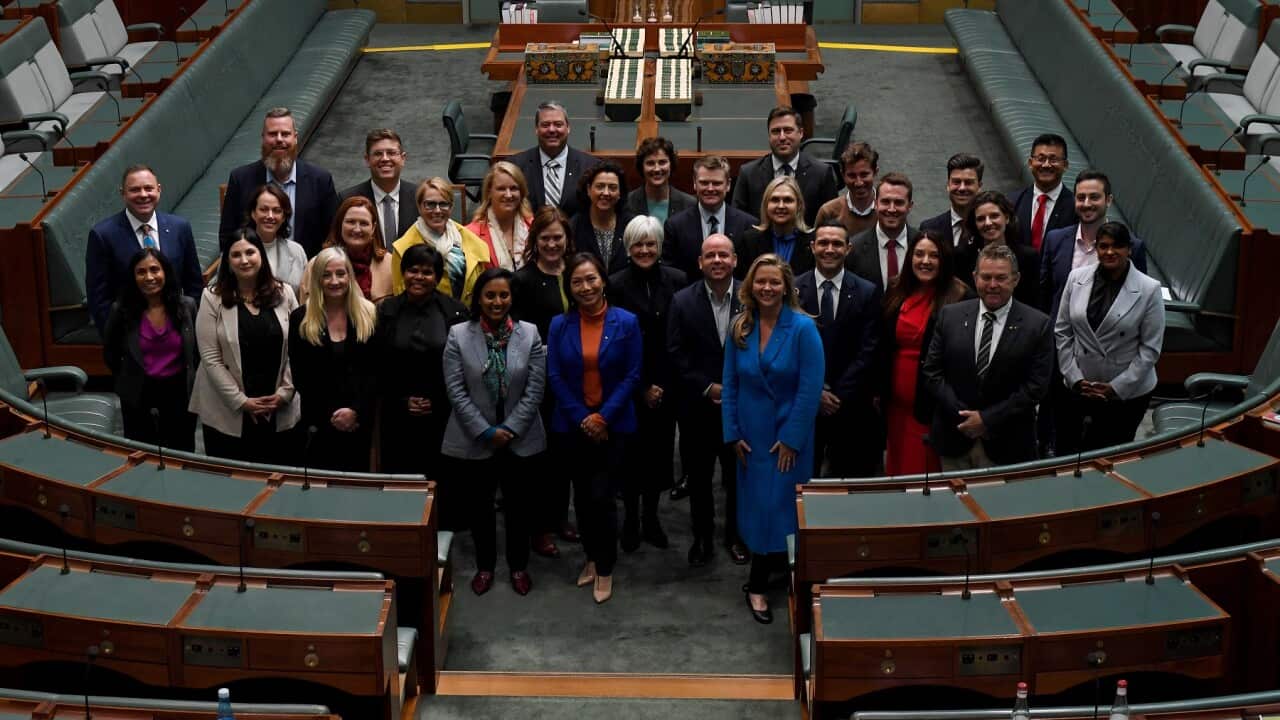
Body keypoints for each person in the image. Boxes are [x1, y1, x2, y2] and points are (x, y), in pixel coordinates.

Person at [722, 254, 824, 624]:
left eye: (774, 282)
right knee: (757, 511)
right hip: (751, 437)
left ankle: (759, 584)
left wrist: (792, 439)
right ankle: (767, 576)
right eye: (760, 282)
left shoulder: (802, 328)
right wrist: (732, 432)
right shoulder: (740, 328)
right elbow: (730, 384)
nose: (767, 288)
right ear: (750, 287)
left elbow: (811, 389)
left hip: (787, 439)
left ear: (787, 287)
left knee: (779, 511)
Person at [442, 268, 546, 596]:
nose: (497, 301)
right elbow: (455, 391)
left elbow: (535, 388)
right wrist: (486, 431)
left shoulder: (529, 334)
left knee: (520, 507)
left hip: (521, 436)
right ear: (479, 298)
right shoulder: (459, 334)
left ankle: (518, 567)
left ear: (512, 298)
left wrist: (511, 428)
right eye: (490, 295)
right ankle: (485, 566)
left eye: (503, 295)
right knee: (479, 508)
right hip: (475, 437)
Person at [546, 253, 642, 604]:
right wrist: (582, 418)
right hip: (572, 426)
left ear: (603, 280)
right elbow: (554, 375)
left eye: (591, 279)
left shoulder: (627, 322)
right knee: (582, 498)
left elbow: (633, 374)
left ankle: (605, 566)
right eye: (577, 282)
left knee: (603, 498)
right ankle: (589, 555)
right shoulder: (559, 325)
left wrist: (603, 417)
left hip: (613, 426)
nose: (585, 287)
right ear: (569, 288)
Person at [922, 244, 1053, 470]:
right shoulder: (949, 316)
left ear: (1016, 279)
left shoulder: (1038, 325)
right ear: (975, 277)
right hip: (954, 438)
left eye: (1001, 278)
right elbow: (932, 372)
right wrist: (964, 416)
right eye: (986, 277)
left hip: (1008, 445)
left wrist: (986, 420)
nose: (993, 285)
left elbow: (1036, 387)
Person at [607, 216, 687, 552]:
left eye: (650, 244)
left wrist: (662, 385)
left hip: (666, 385)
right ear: (628, 248)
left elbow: (681, 337)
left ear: (659, 246)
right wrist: (640, 388)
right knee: (629, 458)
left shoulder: (678, 280)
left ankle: (652, 519)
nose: (644, 250)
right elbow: (613, 343)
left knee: (658, 456)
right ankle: (629, 522)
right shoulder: (615, 284)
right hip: (628, 387)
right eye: (638, 244)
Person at [667, 234, 746, 566]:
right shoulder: (682, 301)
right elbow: (675, 353)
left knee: (739, 478)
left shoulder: (752, 296)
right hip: (698, 409)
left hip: (742, 408)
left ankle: (736, 536)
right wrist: (708, 387)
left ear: (734, 260)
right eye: (710, 255)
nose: (717, 260)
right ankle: (702, 537)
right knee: (699, 479)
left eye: (723, 255)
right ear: (699, 262)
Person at [189, 229, 300, 464]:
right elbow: (210, 358)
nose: (245, 260)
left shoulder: (285, 293)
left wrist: (285, 393)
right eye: (236, 255)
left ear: (261, 255)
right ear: (227, 262)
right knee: (233, 487)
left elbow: (297, 350)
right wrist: (241, 401)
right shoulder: (211, 298)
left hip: (277, 407)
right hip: (228, 410)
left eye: (250, 252)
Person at [376, 244, 469, 522]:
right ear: (403, 274)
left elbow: (463, 366)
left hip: (441, 412)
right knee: (402, 484)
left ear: (437, 276)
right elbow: (378, 365)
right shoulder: (387, 311)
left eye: (427, 272)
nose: (419, 277)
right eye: (413, 270)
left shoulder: (455, 312)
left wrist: (438, 400)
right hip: (398, 413)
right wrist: (403, 401)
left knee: (442, 482)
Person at [1054, 222, 1164, 452]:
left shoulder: (1149, 289)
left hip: (1125, 394)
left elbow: (1150, 349)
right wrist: (1074, 377)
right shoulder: (1076, 278)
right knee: (1068, 451)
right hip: (1080, 386)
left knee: (1108, 456)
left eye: (1117, 246)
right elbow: (1063, 330)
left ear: (1129, 250)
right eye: (1103, 246)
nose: (1110, 252)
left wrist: (1116, 387)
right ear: (1096, 249)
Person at [511, 206, 579, 558]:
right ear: (535, 242)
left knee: (565, 455)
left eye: (558, 238)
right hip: (538, 383)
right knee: (540, 458)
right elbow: (517, 334)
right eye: (545, 239)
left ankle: (559, 518)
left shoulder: (577, 273)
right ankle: (538, 529)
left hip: (576, 380)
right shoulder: (522, 281)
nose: (552, 244)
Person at [880, 229, 973, 475]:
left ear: (944, 260)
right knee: (897, 466)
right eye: (919, 254)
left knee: (922, 471)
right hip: (895, 404)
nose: (925, 261)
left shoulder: (960, 295)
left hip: (931, 404)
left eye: (934, 256)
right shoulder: (896, 288)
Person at [794, 220, 882, 477]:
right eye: (823, 243)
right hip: (805, 403)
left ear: (848, 249)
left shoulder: (867, 291)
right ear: (812, 247)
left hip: (850, 405)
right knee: (804, 480)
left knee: (847, 480)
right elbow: (789, 349)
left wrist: (837, 394)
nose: (829, 249)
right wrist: (816, 392)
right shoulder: (794, 290)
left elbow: (869, 349)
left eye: (836, 243)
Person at [287, 247, 378, 472]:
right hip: (318, 424)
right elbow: (301, 376)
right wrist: (333, 416)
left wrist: (356, 412)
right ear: (317, 279)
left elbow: (376, 371)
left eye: (340, 273)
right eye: (326, 275)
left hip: (358, 424)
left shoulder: (370, 314)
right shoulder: (301, 318)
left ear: (349, 275)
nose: (334, 281)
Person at [86, 164, 202, 334]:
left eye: (148, 188)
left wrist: (190, 326)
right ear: (123, 193)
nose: (143, 195)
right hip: (130, 338)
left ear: (159, 190)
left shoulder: (180, 227)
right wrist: (117, 338)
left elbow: (194, 284)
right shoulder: (103, 235)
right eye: (134, 190)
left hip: (177, 332)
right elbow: (98, 298)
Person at [101, 248, 198, 452]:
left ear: (165, 272)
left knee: (181, 453)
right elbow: (111, 354)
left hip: (179, 392)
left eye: (155, 269)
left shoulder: (186, 307)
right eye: (141, 272)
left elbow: (195, 352)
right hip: (139, 393)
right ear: (133, 277)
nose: (149, 277)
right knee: (143, 455)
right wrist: (127, 379)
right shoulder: (121, 310)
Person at [219, 107, 338, 257]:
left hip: (307, 271)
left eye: (285, 134)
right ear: (263, 138)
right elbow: (227, 237)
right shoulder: (240, 179)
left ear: (295, 138)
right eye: (273, 134)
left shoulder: (320, 180)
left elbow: (332, 235)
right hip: (254, 271)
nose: (279, 139)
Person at [1039, 170, 1148, 321]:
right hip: (1059, 337)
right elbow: (1044, 294)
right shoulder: (1055, 240)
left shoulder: (1132, 246)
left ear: (1108, 200)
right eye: (1081, 197)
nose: (1086, 204)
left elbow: (1139, 301)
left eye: (1094, 197)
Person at [391, 177, 494, 306]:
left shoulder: (470, 240)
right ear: (419, 206)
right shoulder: (402, 249)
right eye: (430, 204)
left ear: (451, 207)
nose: (437, 210)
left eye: (443, 204)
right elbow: (402, 299)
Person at [730, 106, 838, 225]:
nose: (782, 137)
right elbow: (738, 220)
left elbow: (831, 221)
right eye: (776, 131)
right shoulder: (749, 174)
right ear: (769, 136)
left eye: (788, 130)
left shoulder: (821, 173)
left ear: (801, 133)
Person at [663, 155, 756, 284]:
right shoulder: (675, 226)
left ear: (728, 185)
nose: (710, 189)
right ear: (695, 184)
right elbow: (670, 275)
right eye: (704, 183)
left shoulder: (748, 225)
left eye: (717, 183)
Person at [509, 101, 595, 217]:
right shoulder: (515, 166)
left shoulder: (591, 166)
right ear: (536, 129)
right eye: (545, 125)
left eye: (558, 124)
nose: (552, 130)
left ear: (568, 128)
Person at [956, 190, 1041, 307]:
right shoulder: (961, 256)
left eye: (994, 216)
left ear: (1006, 218)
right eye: (980, 219)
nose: (988, 223)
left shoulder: (1028, 258)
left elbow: (1033, 302)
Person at [301, 197, 393, 304]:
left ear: (373, 228)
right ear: (340, 224)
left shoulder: (389, 264)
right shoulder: (317, 265)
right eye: (351, 222)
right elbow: (307, 312)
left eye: (364, 223)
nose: (357, 229)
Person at [340, 129, 418, 250]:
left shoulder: (419, 197)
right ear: (367, 160)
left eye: (391, 153)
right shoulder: (347, 199)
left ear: (403, 158)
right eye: (378, 154)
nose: (385, 158)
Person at [847, 173, 919, 294]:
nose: (891, 209)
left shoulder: (921, 244)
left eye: (899, 203)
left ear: (910, 206)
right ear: (876, 204)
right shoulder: (853, 248)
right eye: (885, 202)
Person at [734, 176, 816, 279]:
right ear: (766, 205)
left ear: (799, 205)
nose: (781, 206)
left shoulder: (813, 241)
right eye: (775, 200)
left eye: (788, 200)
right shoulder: (749, 241)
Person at [1010, 133, 1077, 251]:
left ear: (1065, 165)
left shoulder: (1075, 206)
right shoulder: (1013, 201)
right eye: (1040, 159)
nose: (1046, 165)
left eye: (1053, 159)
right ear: (1030, 163)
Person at [570, 161, 635, 275]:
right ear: (589, 190)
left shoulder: (631, 225)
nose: (606, 193)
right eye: (600, 186)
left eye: (612, 188)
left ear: (620, 193)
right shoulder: (574, 226)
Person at [466, 161, 533, 271]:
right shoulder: (472, 235)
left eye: (513, 188)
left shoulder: (534, 227)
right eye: (501, 189)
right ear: (489, 192)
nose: (508, 195)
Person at [245, 185, 307, 294]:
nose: (270, 216)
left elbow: (307, 294)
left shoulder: (297, 251)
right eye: (263, 210)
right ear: (253, 213)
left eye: (277, 211)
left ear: (283, 217)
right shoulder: (235, 248)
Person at [918, 153, 984, 253]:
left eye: (968, 182)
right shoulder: (930, 228)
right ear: (948, 185)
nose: (962, 188)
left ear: (979, 187)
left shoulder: (988, 227)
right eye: (956, 182)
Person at [814, 141, 879, 238]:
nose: (859, 183)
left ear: (875, 172)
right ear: (843, 175)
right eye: (852, 176)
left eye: (864, 175)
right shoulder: (829, 212)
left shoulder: (887, 210)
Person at [624, 136, 695, 222]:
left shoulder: (689, 204)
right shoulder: (627, 203)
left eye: (662, 162)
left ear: (671, 165)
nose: (657, 169)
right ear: (641, 167)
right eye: (650, 163)